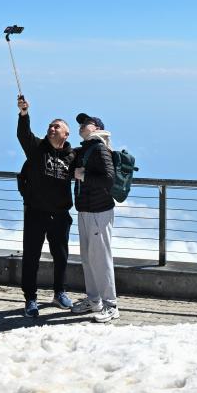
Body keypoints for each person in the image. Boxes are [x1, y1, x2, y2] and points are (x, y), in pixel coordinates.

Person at [15, 96, 74, 317]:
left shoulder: (72, 156)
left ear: (65, 134)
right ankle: (30, 299)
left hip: (60, 215)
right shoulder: (37, 149)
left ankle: (59, 293)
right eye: (50, 125)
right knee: (31, 257)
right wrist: (24, 114)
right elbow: (23, 135)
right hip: (36, 213)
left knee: (61, 257)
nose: (51, 128)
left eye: (56, 126)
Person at [71, 112, 119, 323]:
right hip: (86, 210)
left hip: (99, 212)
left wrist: (83, 176)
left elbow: (109, 180)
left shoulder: (100, 148)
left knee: (100, 259)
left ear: (97, 128)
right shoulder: (87, 149)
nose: (81, 126)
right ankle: (94, 301)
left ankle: (111, 305)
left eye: (86, 123)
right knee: (89, 259)